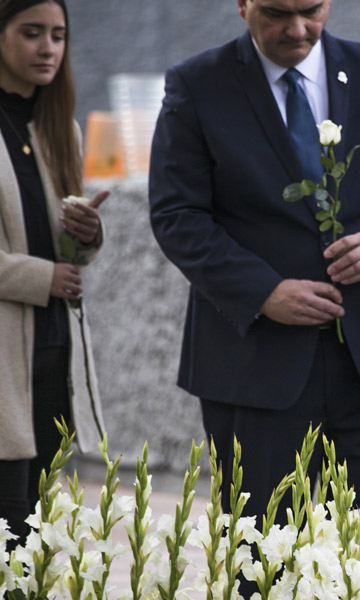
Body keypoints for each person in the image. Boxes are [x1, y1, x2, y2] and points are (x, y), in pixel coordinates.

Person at [147, 0, 360, 572]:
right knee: (265, 566)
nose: (298, 29)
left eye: (312, 10)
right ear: (242, 5)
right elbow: (176, 213)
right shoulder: (197, 84)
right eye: (278, 12)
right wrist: (262, 292)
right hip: (255, 370)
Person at [0, 0, 108, 541]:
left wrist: (84, 235)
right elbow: (46, 269)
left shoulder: (57, 124)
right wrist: (43, 278)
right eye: (32, 33)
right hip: (3, 365)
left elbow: (65, 250)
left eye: (59, 35)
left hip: (52, 354)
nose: (48, 48)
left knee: (35, 534)